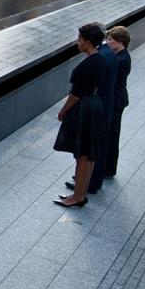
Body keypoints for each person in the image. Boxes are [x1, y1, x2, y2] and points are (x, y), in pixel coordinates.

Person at [53, 24, 107, 207]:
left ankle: (76, 197)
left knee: (82, 155)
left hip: (84, 109)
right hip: (95, 105)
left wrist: (63, 111)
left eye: (80, 39)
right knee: (88, 154)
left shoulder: (87, 65)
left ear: (88, 42)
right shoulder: (101, 59)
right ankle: (81, 194)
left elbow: (75, 95)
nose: (78, 42)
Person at [84, 21, 116, 194]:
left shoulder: (100, 57)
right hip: (107, 105)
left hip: (99, 108)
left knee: (91, 150)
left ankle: (89, 183)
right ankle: (90, 180)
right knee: (98, 147)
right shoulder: (110, 52)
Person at [104, 26, 132, 178]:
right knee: (111, 134)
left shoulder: (120, 60)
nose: (107, 42)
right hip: (118, 99)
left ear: (120, 42)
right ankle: (107, 169)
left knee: (112, 135)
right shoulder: (122, 56)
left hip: (116, 101)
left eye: (110, 40)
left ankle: (108, 170)